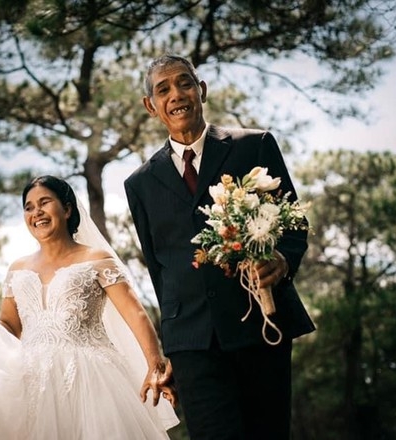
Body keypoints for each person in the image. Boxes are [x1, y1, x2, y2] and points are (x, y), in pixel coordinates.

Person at [0, 175, 179, 439]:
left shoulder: (96, 258)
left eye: (44, 203)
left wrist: (155, 365)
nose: (36, 212)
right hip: (31, 382)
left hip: (93, 380)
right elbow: (9, 327)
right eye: (28, 207)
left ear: (66, 210)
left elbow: (135, 314)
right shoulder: (18, 268)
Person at [124, 54, 316, 440]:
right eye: (163, 89)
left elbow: (293, 224)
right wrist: (172, 346)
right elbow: (159, 270)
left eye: (184, 83)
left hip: (260, 325)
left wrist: (281, 260)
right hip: (193, 345)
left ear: (202, 90)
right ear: (151, 106)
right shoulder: (139, 184)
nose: (176, 94)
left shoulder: (255, 146)